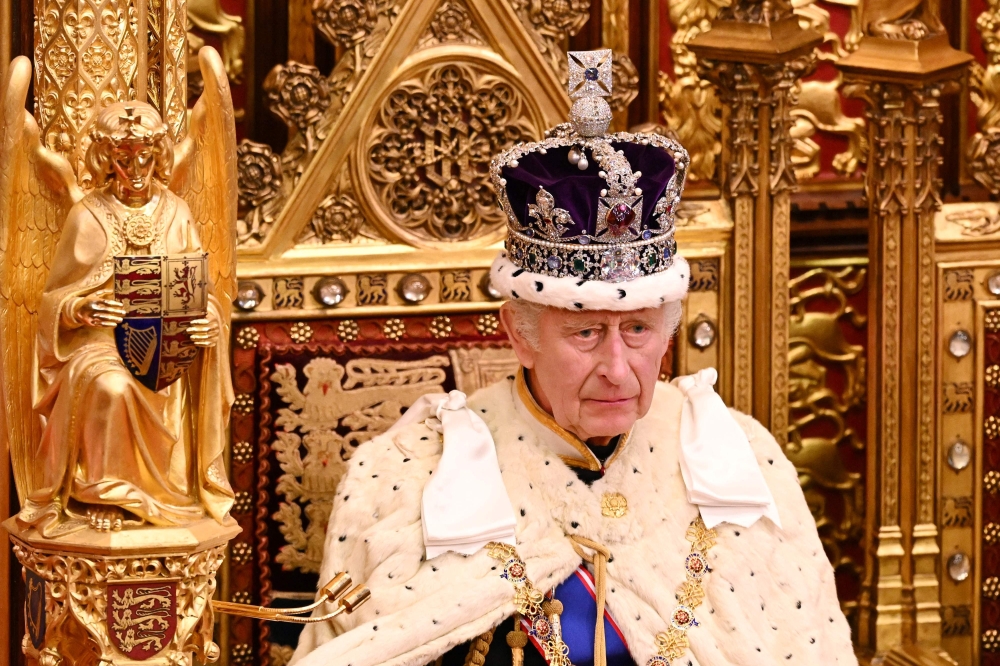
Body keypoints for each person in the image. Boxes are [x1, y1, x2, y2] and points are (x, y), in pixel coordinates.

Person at [291, 50, 856, 666]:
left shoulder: (740, 461)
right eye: (585, 333)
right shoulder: (408, 474)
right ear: (520, 332)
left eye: (639, 329)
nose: (618, 366)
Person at [16, 102, 234, 537]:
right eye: (123, 157)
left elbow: (198, 292)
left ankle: (170, 493)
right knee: (110, 386)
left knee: (165, 382)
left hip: (164, 347)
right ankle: (106, 493)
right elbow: (50, 301)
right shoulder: (88, 215)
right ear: (105, 159)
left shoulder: (177, 211)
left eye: (145, 156)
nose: (135, 168)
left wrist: (209, 321)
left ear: (159, 155)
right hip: (98, 345)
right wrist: (81, 309)